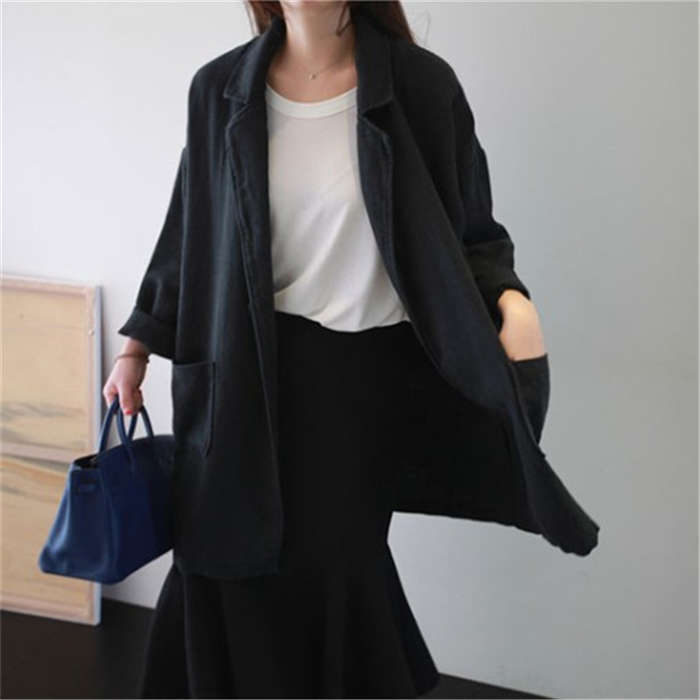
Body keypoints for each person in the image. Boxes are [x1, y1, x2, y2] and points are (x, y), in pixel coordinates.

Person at [103, 1, 556, 698]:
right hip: (238, 367)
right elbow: (189, 225)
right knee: (217, 557)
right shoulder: (219, 87)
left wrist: (512, 301)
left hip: (355, 388)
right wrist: (137, 344)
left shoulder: (420, 87)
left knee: (334, 571)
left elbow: (472, 227)